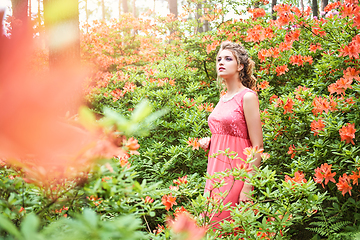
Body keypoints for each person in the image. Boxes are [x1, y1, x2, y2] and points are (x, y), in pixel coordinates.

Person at [199, 41, 264, 228]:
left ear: (240, 66)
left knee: (229, 226)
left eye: (228, 59)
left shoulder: (248, 97)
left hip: (236, 174)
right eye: (219, 59)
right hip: (215, 172)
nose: (221, 62)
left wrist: (248, 186)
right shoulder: (223, 97)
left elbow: (257, 146)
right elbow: (230, 134)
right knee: (211, 225)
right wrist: (210, 141)